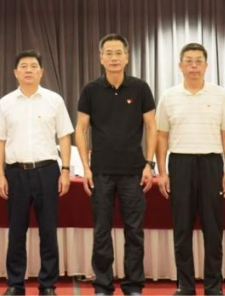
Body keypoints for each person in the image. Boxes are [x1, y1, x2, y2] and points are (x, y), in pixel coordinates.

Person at [75, 34, 156, 296]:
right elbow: (81, 129)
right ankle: (103, 285)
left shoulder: (140, 88)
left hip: (134, 171)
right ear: (101, 58)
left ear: (127, 57)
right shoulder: (91, 89)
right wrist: (86, 168)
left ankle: (134, 286)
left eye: (118, 53)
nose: (114, 58)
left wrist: (149, 164)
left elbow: (152, 127)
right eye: (108, 53)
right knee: (102, 231)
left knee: (134, 231)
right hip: (101, 172)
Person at [0, 50, 74, 296]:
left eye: (33, 66)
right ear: (15, 73)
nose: (28, 70)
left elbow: (64, 137)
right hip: (16, 173)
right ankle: (15, 284)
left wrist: (65, 170)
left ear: (41, 72)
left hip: (47, 172)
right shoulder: (5, 103)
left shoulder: (54, 100)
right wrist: (0, 175)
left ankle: (47, 285)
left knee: (48, 231)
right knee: (16, 232)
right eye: (23, 66)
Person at [156, 43, 225, 296]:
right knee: (182, 229)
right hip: (180, 163)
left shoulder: (220, 94)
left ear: (206, 65)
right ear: (180, 66)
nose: (194, 66)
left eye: (198, 61)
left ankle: (213, 286)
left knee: (213, 229)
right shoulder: (169, 96)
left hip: (212, 164)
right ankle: (185, 286)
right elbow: (161, 136)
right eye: (189, 61)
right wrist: (162, 172)